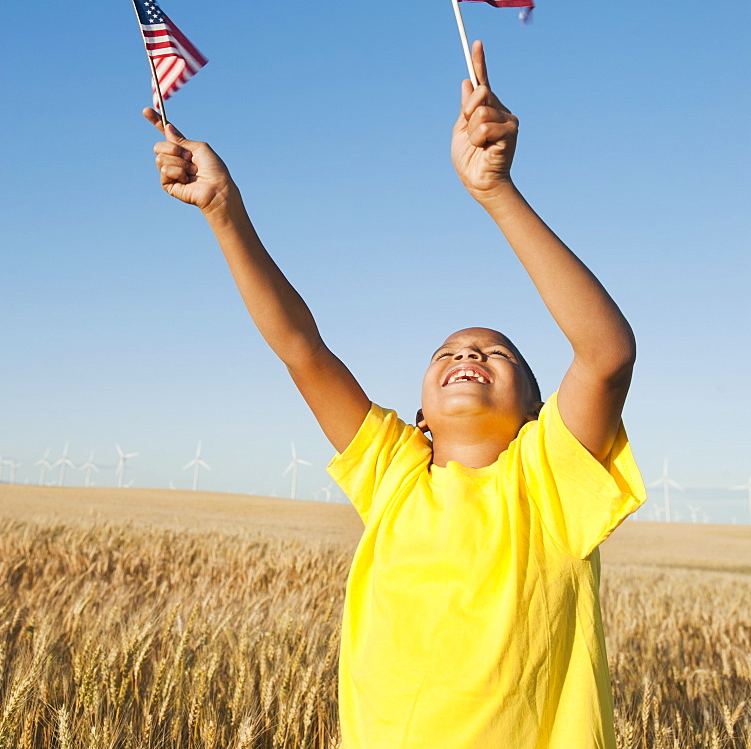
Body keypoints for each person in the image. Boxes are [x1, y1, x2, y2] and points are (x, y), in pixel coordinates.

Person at [144, 40, 646, 749]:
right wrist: (222, 209)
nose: (467, 353)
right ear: (417, 419)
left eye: (494, 353)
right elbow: (301, 350)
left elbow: (605, 355)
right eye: (447, 352)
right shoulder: (393, 475)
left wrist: (495, 194)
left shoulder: (550, 485)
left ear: (541, 416)